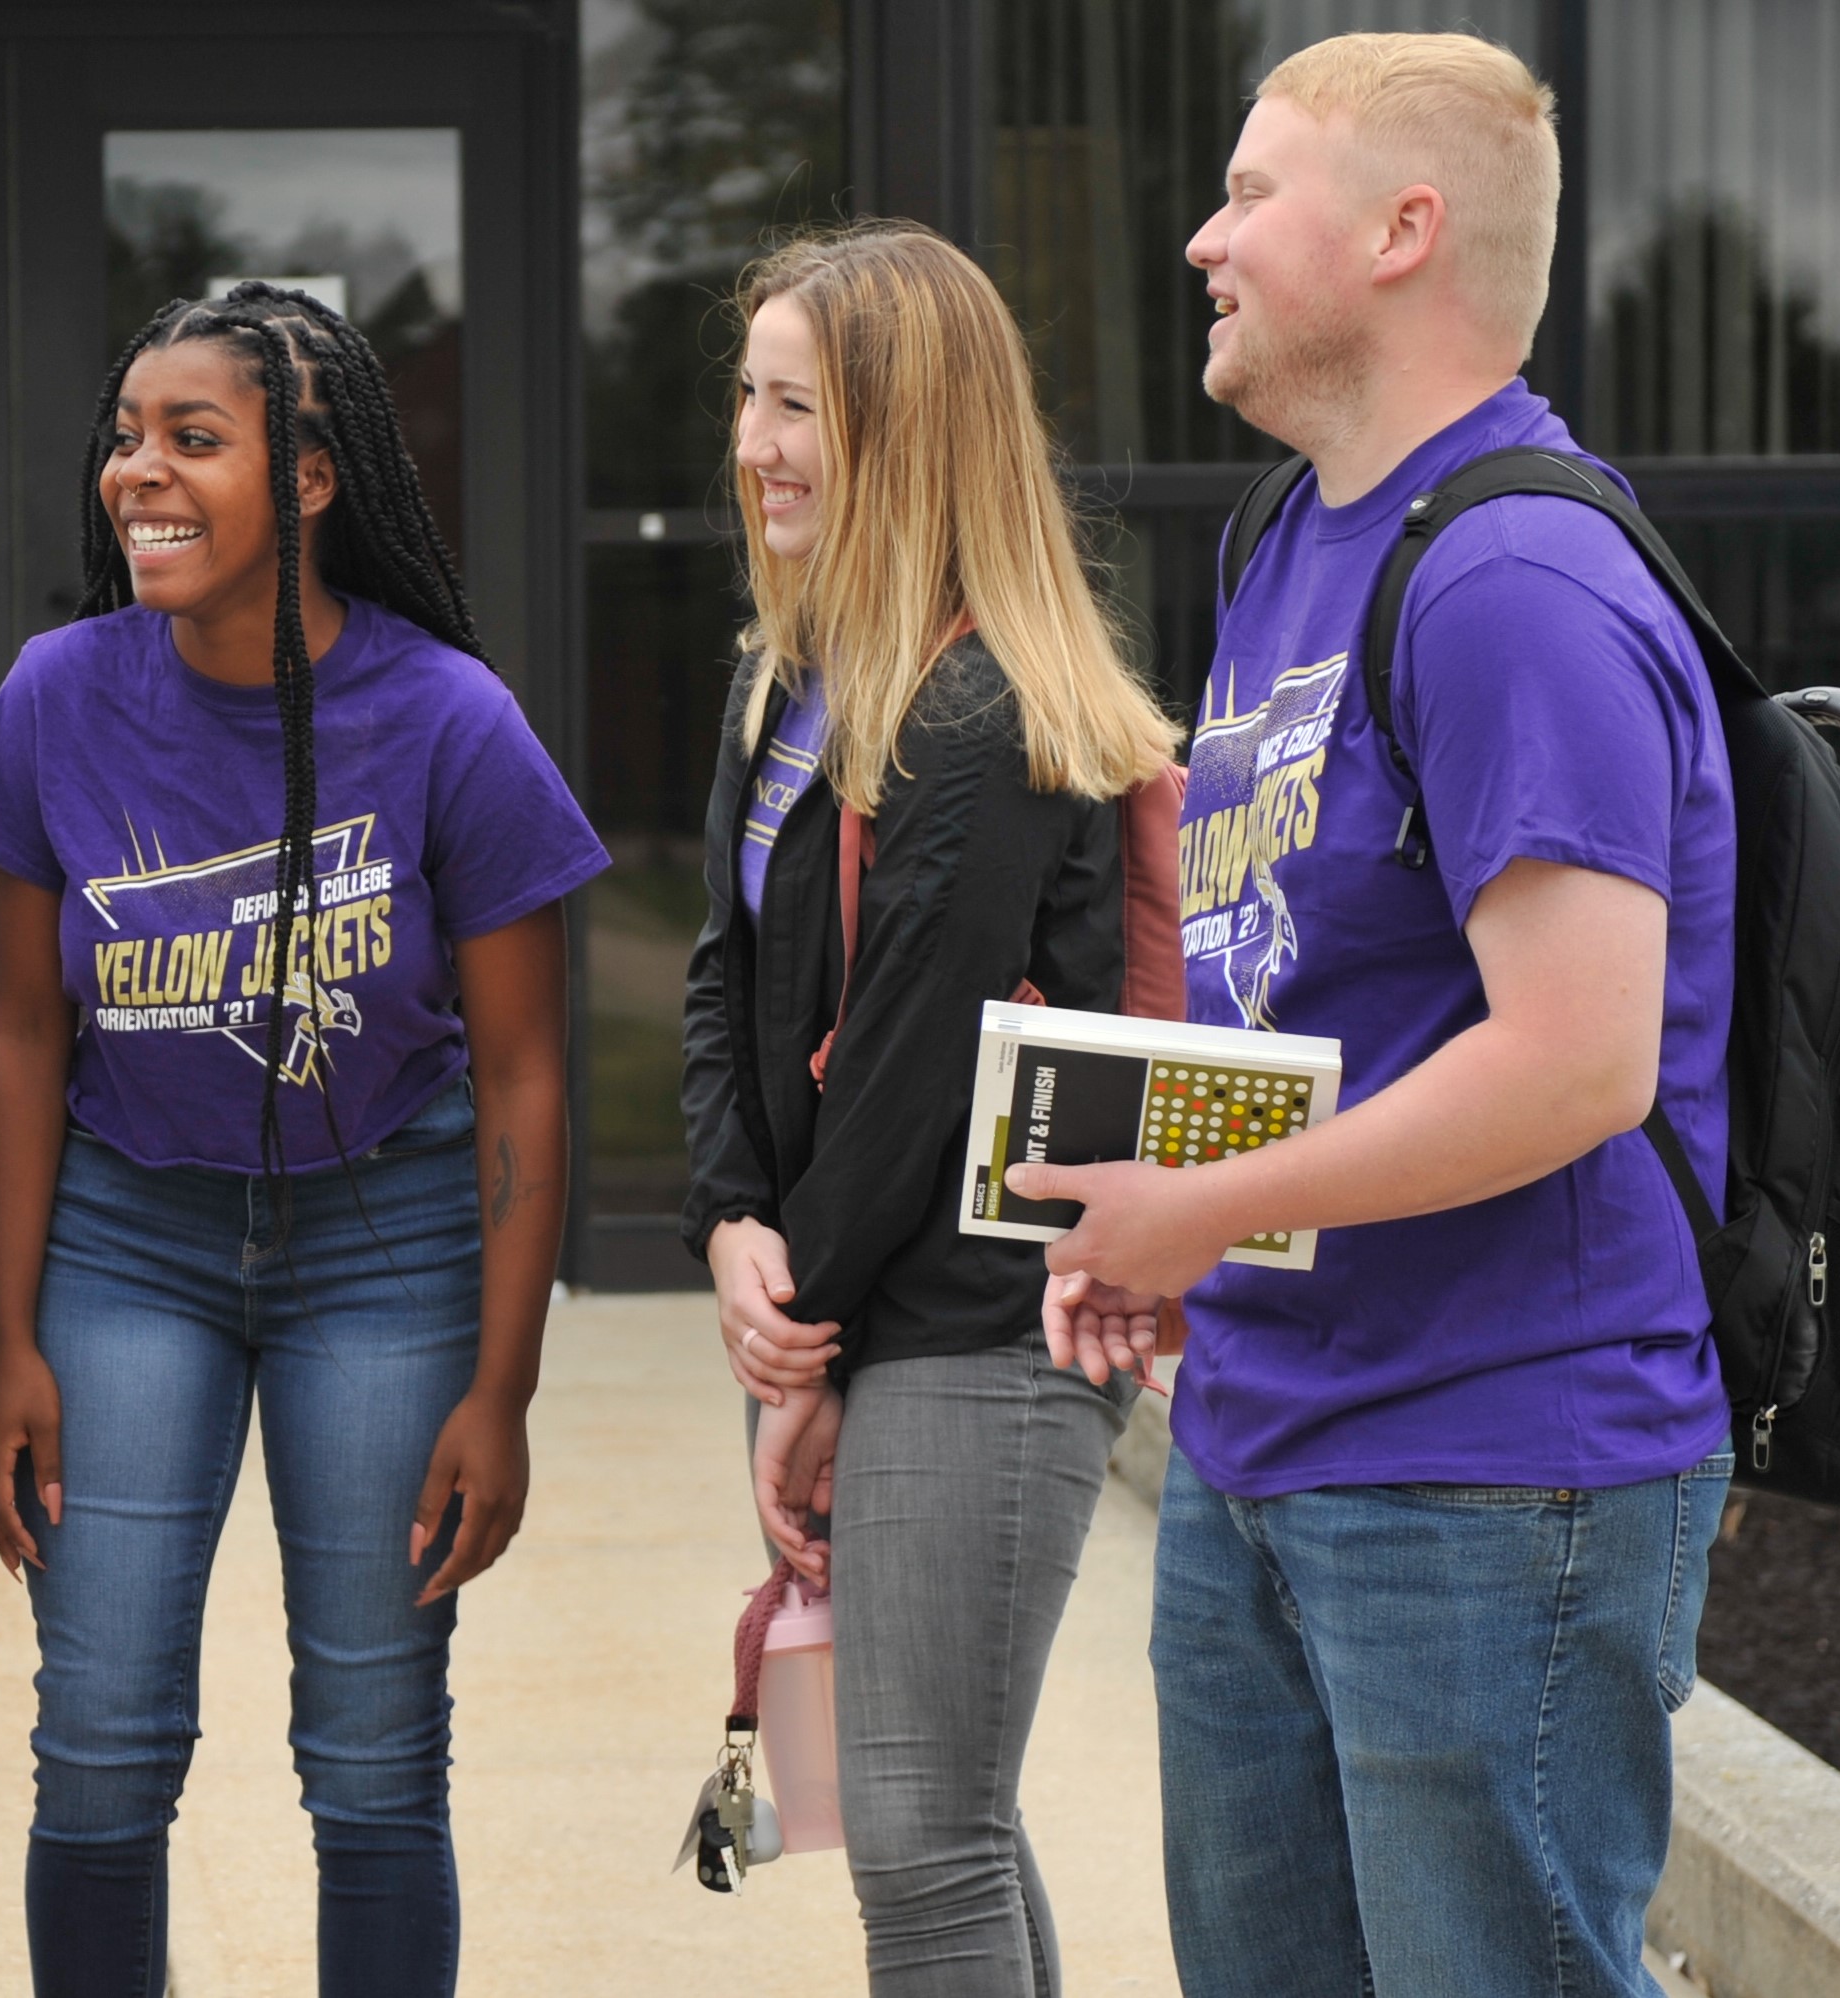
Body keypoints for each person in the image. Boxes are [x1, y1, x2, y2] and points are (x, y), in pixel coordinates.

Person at [1018, 34, 1737, 1998]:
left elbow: (1575, 1058)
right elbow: (1322, 991)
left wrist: (1194, 1208)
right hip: (1261, 1434)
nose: (1198, 238)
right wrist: (1178, 1211)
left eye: (1252, 192)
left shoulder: (1511, 572)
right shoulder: (1284, 537)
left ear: (1404, 231)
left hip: (1495, 1469)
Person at [0, 283, 604, 1997]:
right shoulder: (54, 696)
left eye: (191, 440)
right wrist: (6, 1333)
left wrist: (502, 1386)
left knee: (377, 1752)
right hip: (123, 1237)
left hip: (387, 1243)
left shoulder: (448, 719)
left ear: (309, 477)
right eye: (124, 438)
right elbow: (23, 1031)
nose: (136, 475)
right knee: (98, 1737)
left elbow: (529, 1076)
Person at [685, 222, 1180, 1995]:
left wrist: (790, 1328)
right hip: (862, 1303)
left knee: (921, 1834)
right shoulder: (786, 677)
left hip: (980, 1317)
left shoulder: (981, 712)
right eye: (747, 396)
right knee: (943, 1822)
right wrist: (730, 1221)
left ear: (912, 427)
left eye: (800, 405)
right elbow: (721, 976)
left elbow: (912, 1064)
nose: (756, 443)